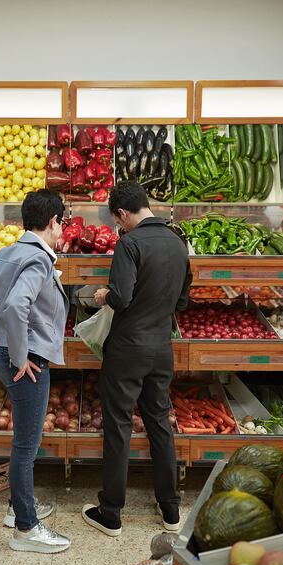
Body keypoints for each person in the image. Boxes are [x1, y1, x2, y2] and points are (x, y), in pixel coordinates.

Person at [81, 180, 192, 536]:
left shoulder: (129, 244)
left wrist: (104, 295)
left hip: (127, 349)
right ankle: (171, 511)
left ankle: (111, 513)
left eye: (119, 220)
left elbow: (122, 297)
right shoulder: (178, 242)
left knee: (118, 426)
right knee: (160, 423)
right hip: (161, 347)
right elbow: (182, 302)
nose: (119, 226)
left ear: (123, 213)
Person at [0, 189, 71, 554]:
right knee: (26, 446)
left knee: (23, 444)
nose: (62, 228)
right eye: (62, 221)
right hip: (25, 362)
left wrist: (4, 338)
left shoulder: (10, 252)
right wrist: (20, 353)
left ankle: (18, 509)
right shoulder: (39, 260)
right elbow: (14, 307)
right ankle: (26, 530)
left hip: (7, 355)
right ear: (52, 222)